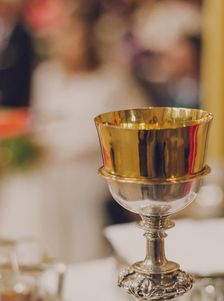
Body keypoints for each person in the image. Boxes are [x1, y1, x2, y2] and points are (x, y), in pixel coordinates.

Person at [29, 14, 149, 262]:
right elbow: (39, 119)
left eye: (76, 40)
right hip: (51, 165)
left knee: (82, 216)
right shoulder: (46, 76)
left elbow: (129, 124)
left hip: (92, 167)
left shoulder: (109, 79)